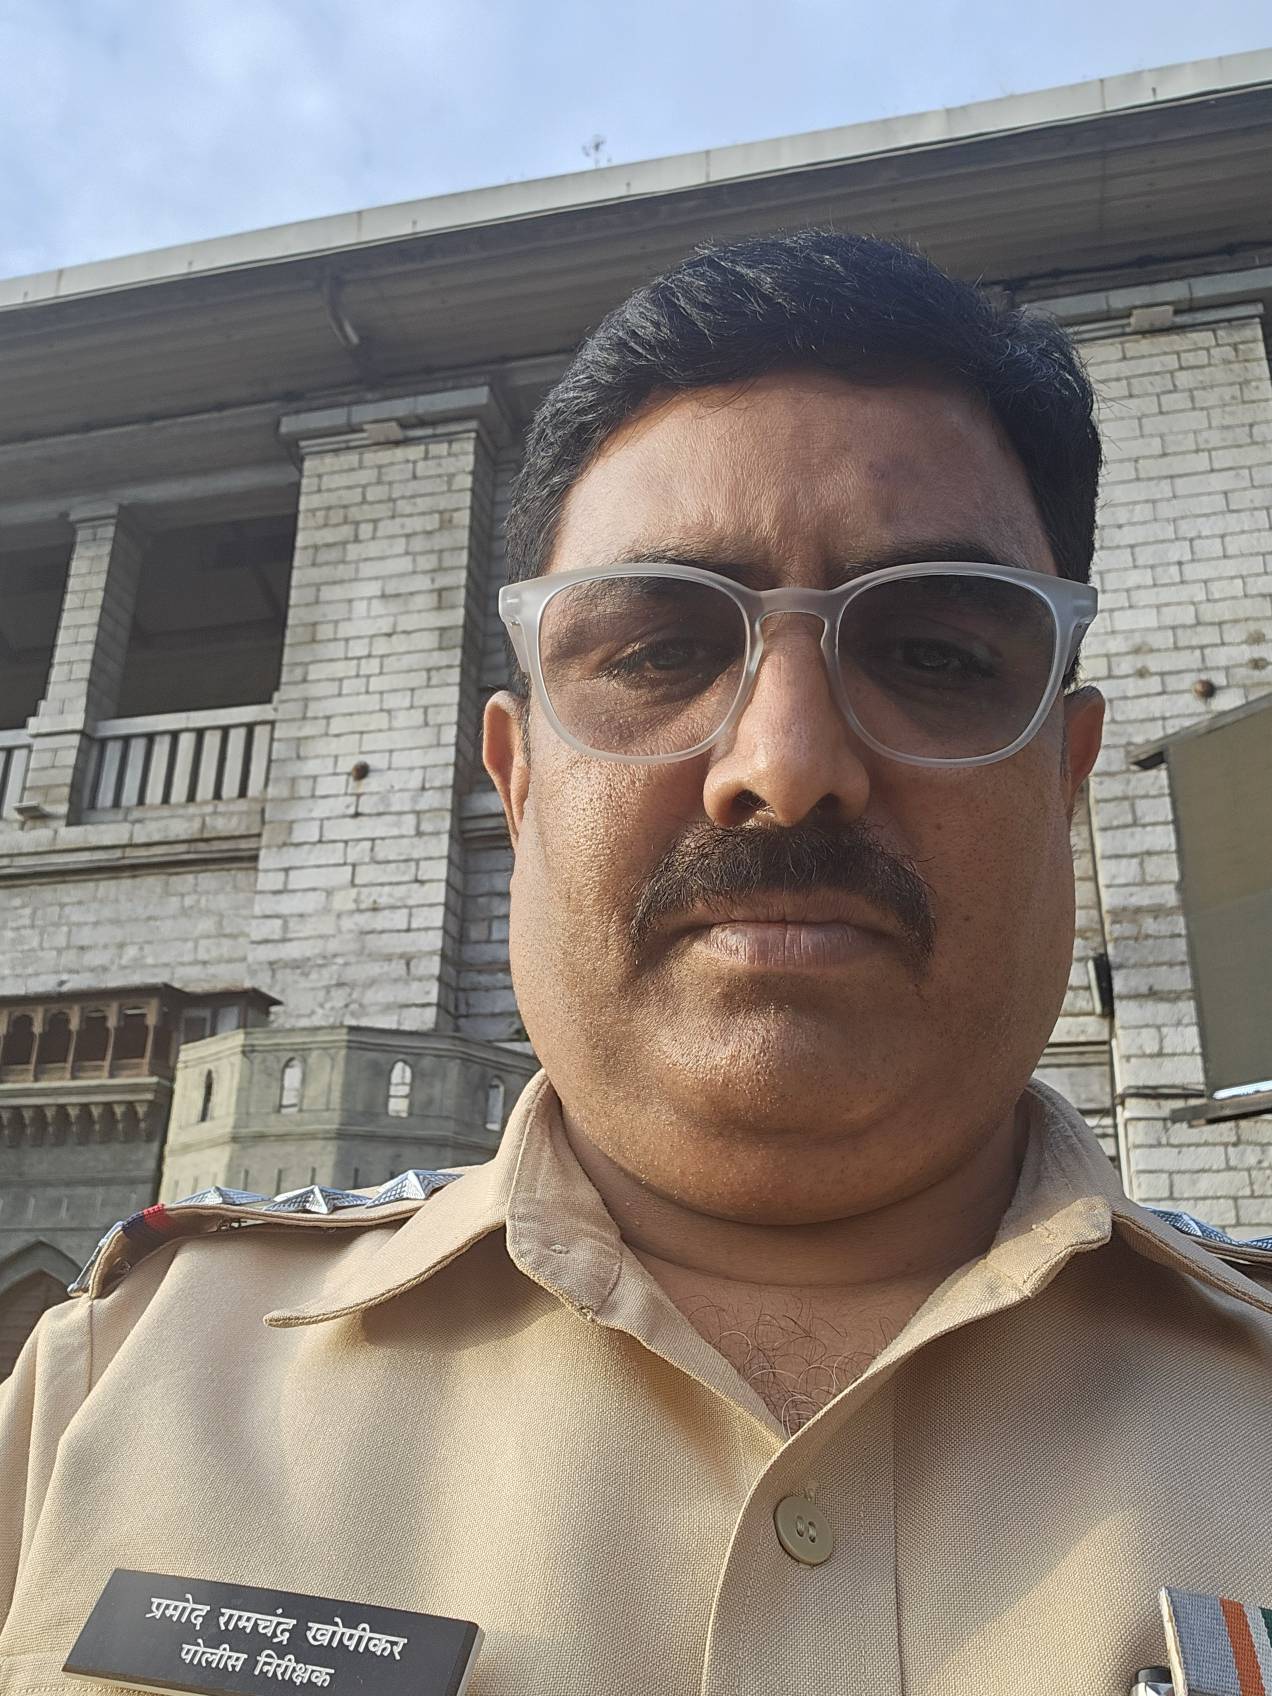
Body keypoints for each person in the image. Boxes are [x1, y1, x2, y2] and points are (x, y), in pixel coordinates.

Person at [3, 230, 1271, 1696]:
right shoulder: (111, 1389)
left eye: (932, 653)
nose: (785, 766)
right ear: (517, 779)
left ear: (1065, 776)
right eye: (662, 650)